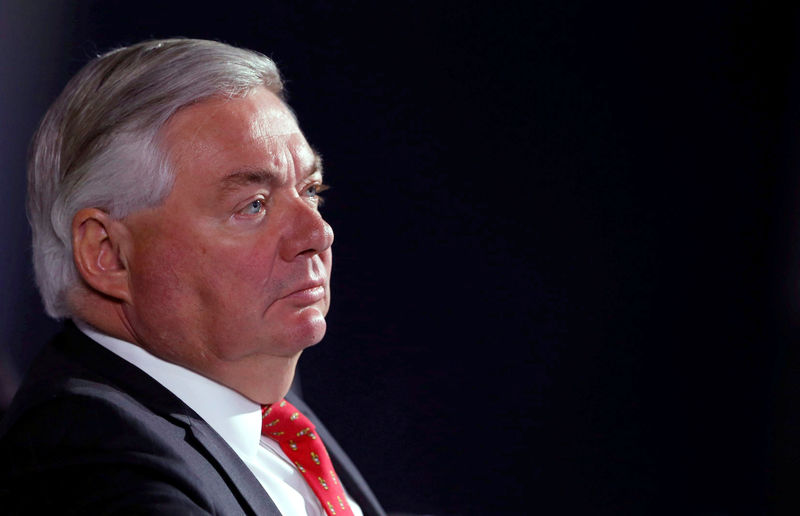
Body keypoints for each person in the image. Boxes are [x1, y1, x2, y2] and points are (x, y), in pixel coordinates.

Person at [0, 38, 385, 516]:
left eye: (310, 190)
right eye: (254, 205)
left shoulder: (251, 394)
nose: (318, 232)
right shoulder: (91, 462)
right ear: (107, 255)